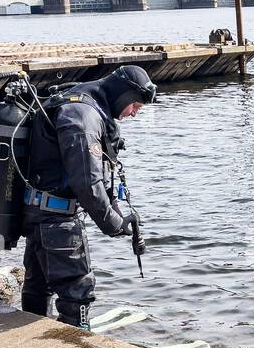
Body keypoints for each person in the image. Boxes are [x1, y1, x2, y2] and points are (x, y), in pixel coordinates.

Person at [20, 64, 155, 329]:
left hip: (39, 212)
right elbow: (87, 182)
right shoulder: (83, 116)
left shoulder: (84, 100)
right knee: (77, 293)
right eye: (135, 106)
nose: (135, 113)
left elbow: (98, 175)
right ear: (123, 95)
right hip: (57, 221)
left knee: (39, 284)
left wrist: (118, 214)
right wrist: (114, 225)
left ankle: (31, 337)